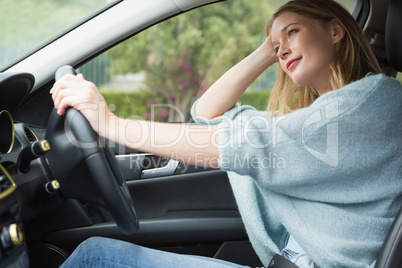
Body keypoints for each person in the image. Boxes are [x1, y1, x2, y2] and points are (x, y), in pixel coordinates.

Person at [51, 0, 402, 267]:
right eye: (276, 44)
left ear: (337, 31)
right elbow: (206, 114)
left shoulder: (372, 102)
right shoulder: (320, 115)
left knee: (95, 256)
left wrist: (110, 123)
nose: (281, 49)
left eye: (293, 31)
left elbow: (240, 143)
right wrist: (269, 50)